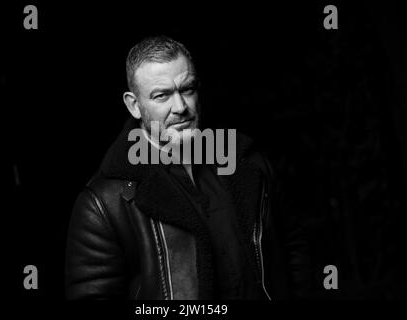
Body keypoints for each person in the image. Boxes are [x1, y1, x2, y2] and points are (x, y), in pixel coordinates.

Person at [65, 35, 310, 300]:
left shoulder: (248, 165)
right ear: (134, 106)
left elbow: (292, 251)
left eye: (187, 89)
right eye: (162, 96)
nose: (181, 107)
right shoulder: (104, 203)